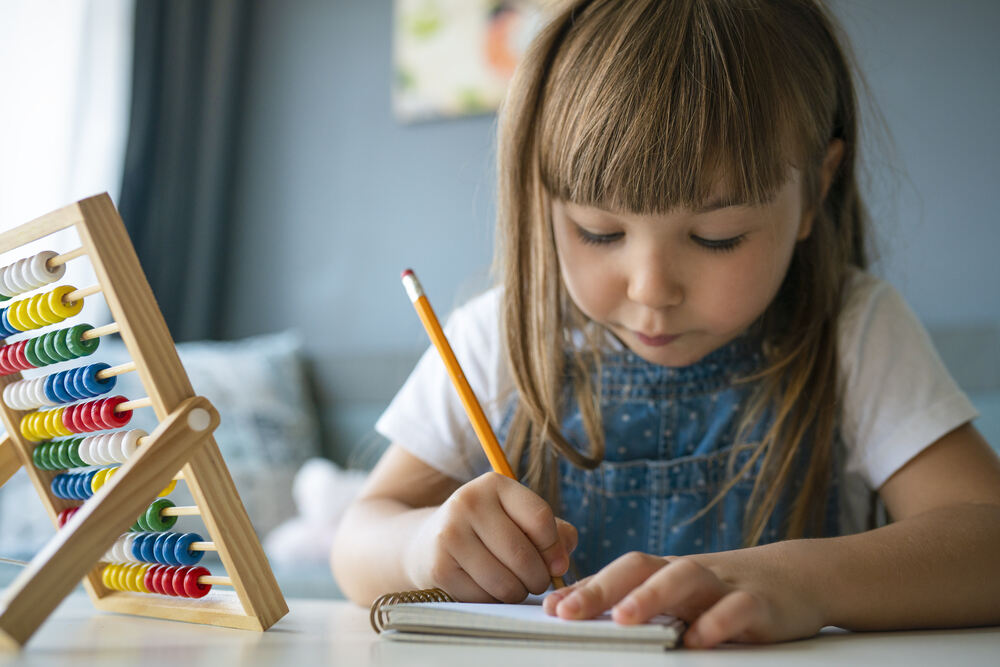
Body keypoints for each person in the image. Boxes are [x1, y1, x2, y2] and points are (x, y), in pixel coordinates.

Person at [332, 0, 1000, 648]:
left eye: (717, 236)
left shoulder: (853, 329)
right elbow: (357, 540)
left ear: (814, 190)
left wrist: (798, 579)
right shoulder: (498, 337)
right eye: (599, 230)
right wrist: (423, 546)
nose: (651, 290)